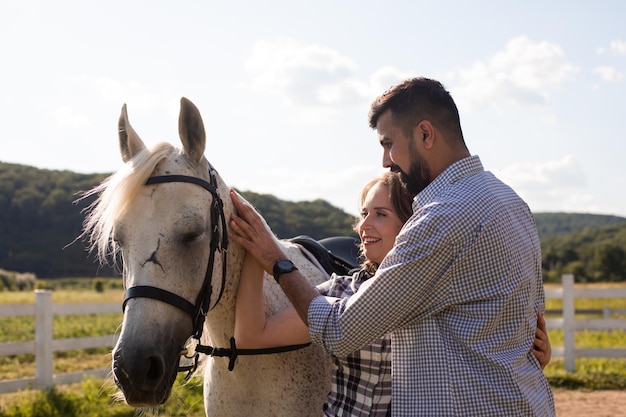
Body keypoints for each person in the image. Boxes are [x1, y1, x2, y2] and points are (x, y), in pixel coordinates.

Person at [229, 77, 556, 416]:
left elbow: (341, 332)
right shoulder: (510, 200)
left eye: (388, 143)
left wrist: (275, 260)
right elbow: (531, 325)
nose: (386, 160)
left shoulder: (441, 217)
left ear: (425, 134)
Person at [233, 172, 552, 417]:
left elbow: (482, 363)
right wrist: (255, 250)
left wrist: (533, 356)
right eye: (364, 213)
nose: (363, 226)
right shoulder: (342, 293)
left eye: (380, 214)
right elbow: (251, 337)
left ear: (413, 224)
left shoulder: (440, 295)